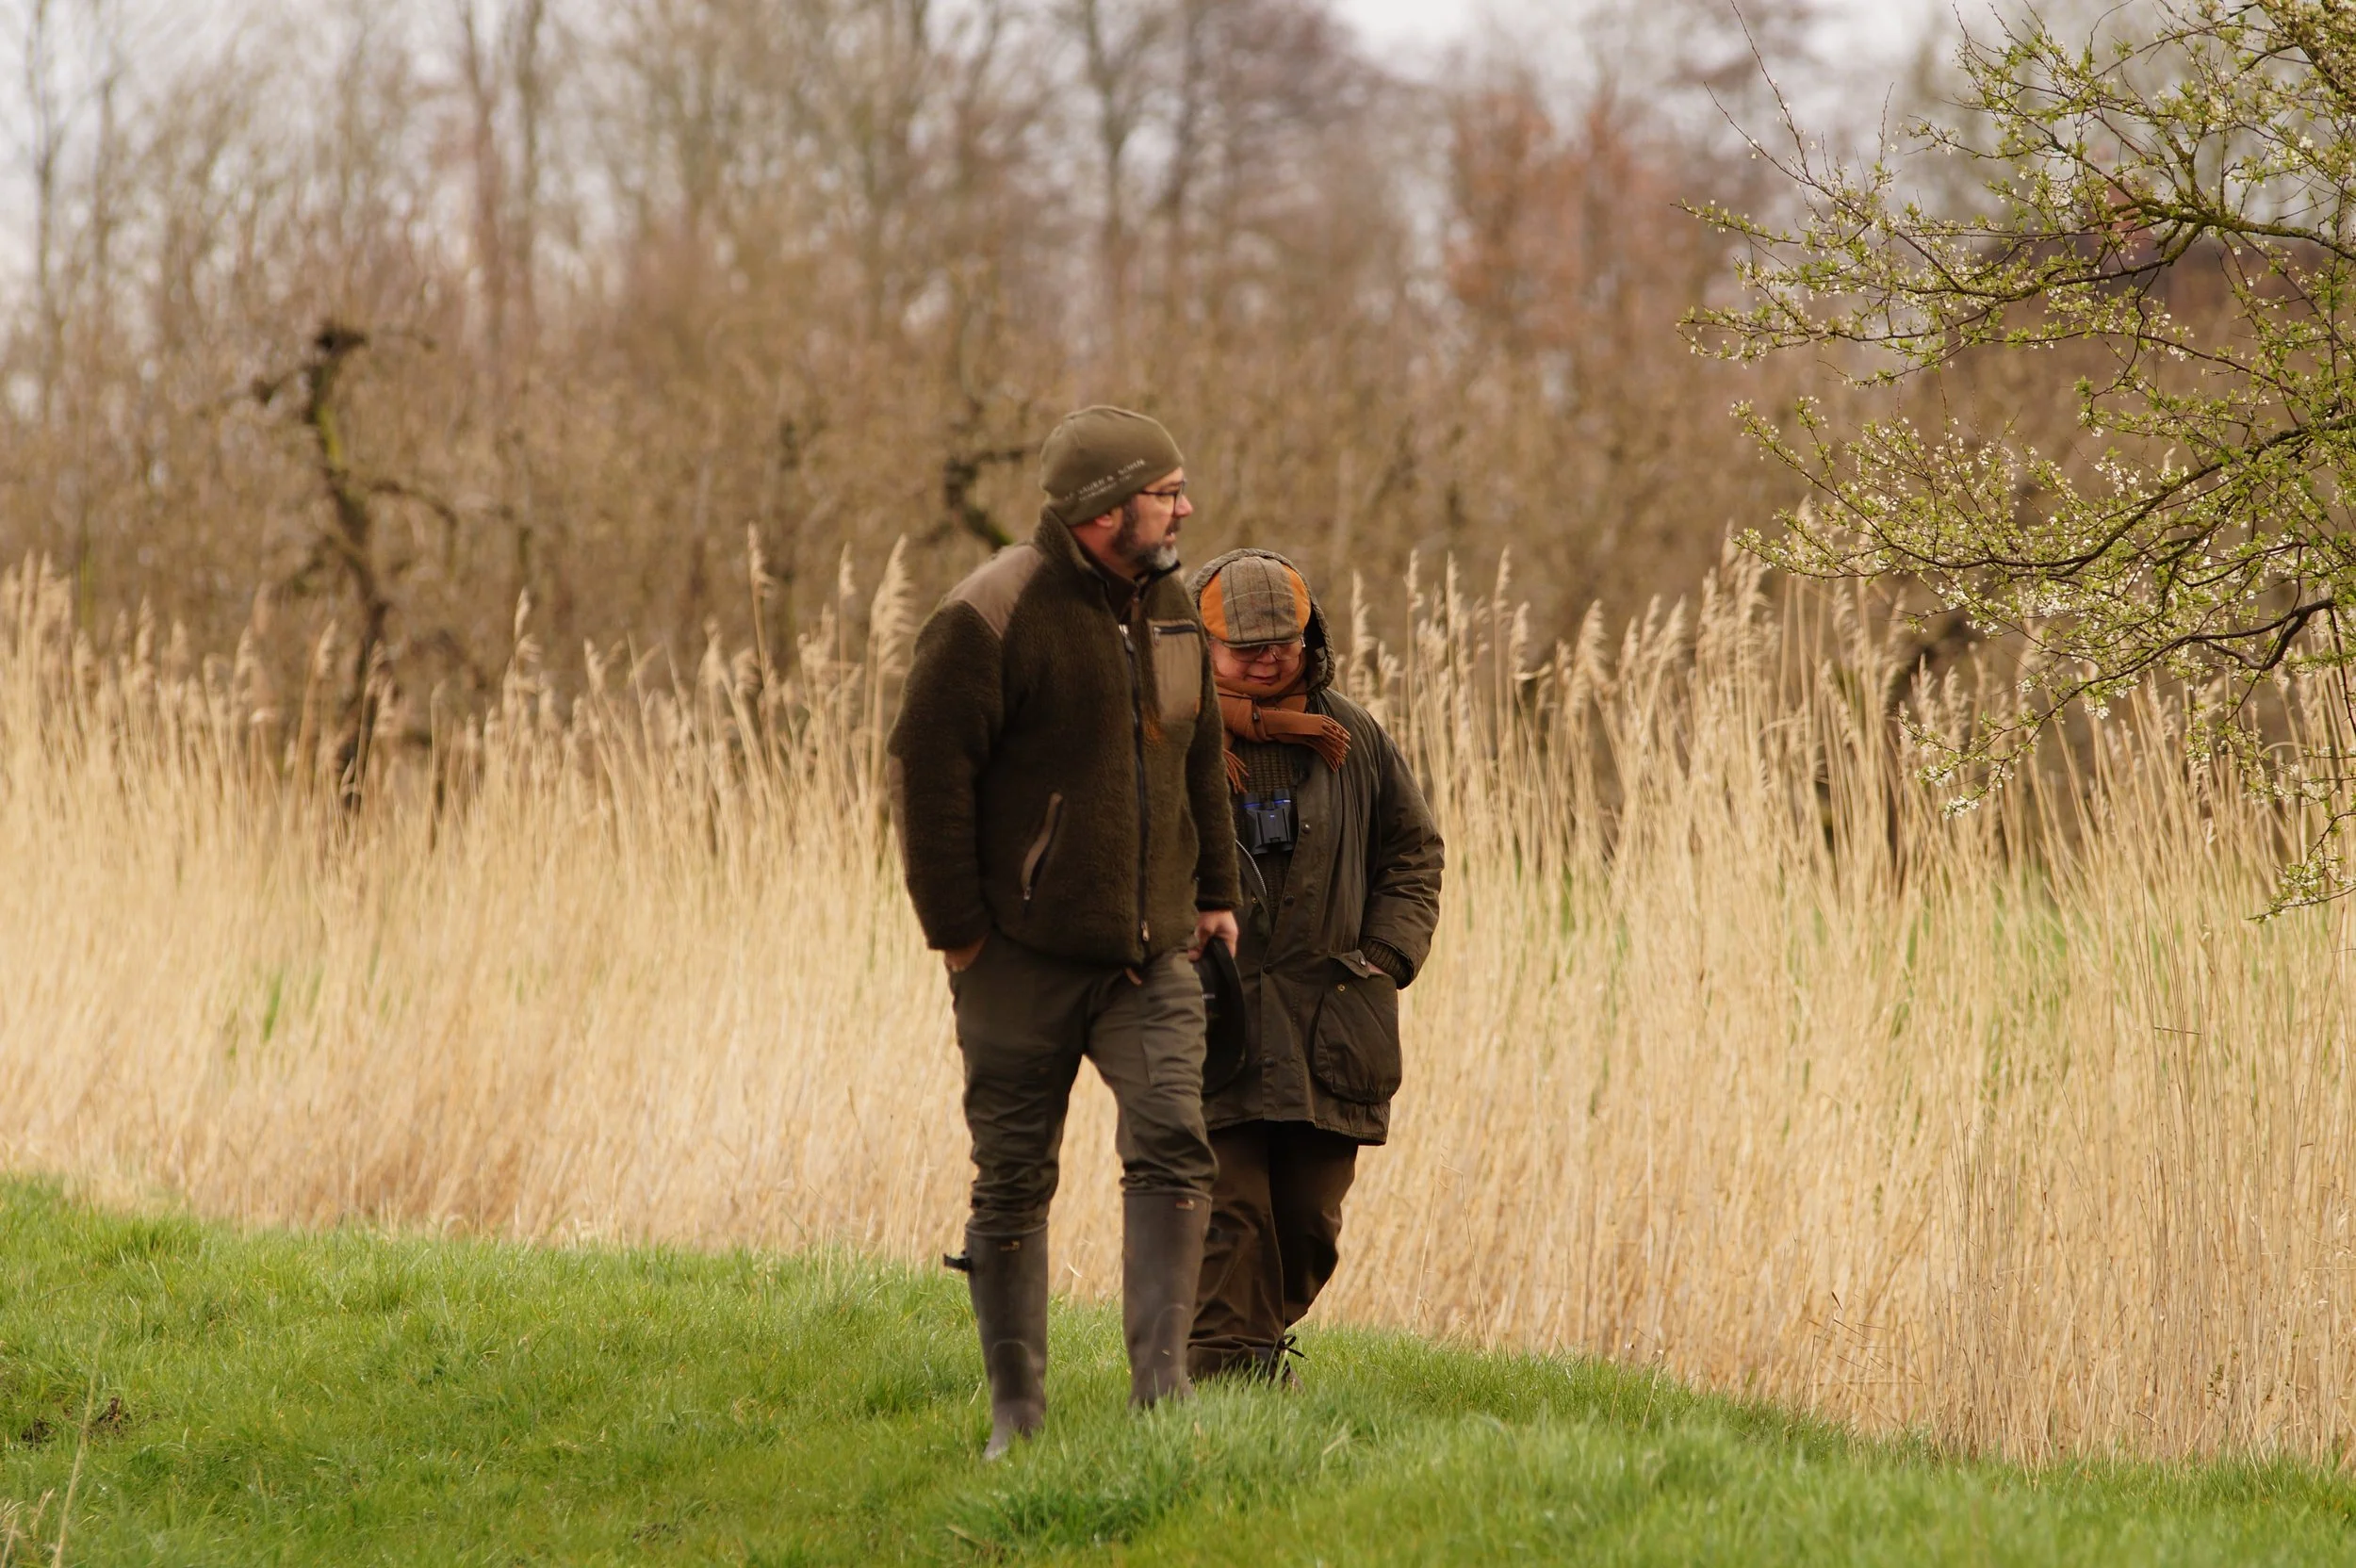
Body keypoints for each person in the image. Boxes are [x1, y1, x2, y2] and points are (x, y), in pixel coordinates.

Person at [886, 406, 1240, 1460]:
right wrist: (959, 933)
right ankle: (1017, 1417)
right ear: (1103, 508)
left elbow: (1195, 751)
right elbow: (925, 775)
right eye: (1165, 493)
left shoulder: (1172, 605)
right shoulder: (988, 613)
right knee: (1011, 1177)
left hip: (1152, 957)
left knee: (1173, 1139)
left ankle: (1161, 1400)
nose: (1185, 507)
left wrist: (1214, 893)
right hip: (1016, 959)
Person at [1183, 549, 1443, 1383]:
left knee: (1307, 1225)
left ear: (1312, 635)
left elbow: (1414, 852)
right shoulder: (1163, 736)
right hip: (1209, 1014)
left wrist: (1385, 956)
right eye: (1245, 646)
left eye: (1284, 642)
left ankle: (1248, 1352)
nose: (1267, 659)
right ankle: (1225, 1380)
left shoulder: (1354, 738)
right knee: (1228, 1212)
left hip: (1330, 1018)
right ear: (1200, 642)